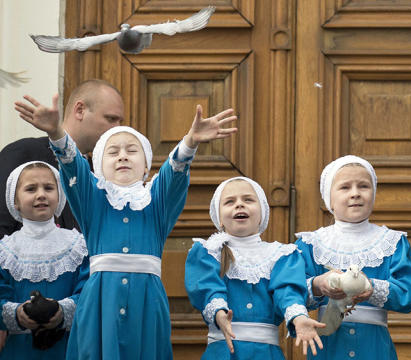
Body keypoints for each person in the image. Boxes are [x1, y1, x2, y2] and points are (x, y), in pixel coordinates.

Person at [14, 92, 237, 360]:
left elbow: (174, 175)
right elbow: (73, 167)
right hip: (99, 303)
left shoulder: (156, 203)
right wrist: (56, 132)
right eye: (113, 152)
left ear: (145, 167)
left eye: (132, 151)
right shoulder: (92, 200)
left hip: (147, 302)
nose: (122, 157)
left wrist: (190, 143)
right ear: (98, 166)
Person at [185, 176, 325, 358]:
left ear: (262, 214)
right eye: (229, 202)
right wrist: (220, 314)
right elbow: (206, 287)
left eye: (248, 200)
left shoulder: (281, 255)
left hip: (266, 353)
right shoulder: (209, 252)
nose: (239, 205)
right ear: (219, 218)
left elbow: (287, 291)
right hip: (223, 352)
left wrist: (299, 317)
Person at [295, 155, 411, 360]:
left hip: (375, 349)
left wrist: (372, 288)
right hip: (328, 348)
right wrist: (318, 285)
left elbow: (409, 293)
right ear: (329, 198)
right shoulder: (311, 244)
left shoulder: (392, 242)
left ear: (374, 193)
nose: (355, 194)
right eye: (345, 188)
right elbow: (291, 292)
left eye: (363, 186)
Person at [0, 80, 124, 235]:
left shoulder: (101, 173)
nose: (118, 128)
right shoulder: (24, 153)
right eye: (111, 119)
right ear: (80, 110)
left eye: (120, 121)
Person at [0, 161, 88, 358]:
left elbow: (88, 292)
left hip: (68, 348)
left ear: (60, 195)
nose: (41, 194)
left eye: (49, 188)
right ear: (15, 200)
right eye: (31, 189)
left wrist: (62, 311)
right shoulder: (5, 251)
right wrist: (18, 313)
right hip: (19, 351)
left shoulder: (78, 246)